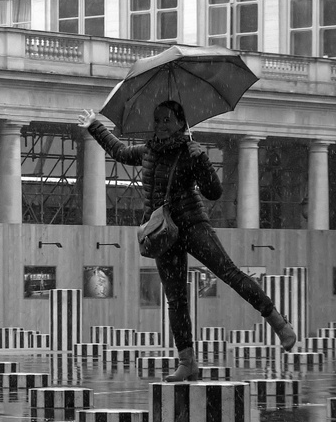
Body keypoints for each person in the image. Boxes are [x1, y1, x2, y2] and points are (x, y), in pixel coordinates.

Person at [78, 102, 296, 380]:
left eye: (167, 119)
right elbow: (119, 152)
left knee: (229, 273)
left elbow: (214, 192)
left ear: (182, 122)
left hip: (192, 223)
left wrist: (202, 162)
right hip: (163, 232)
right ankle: (187, 361)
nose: (161, 125)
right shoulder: (149, 151)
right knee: (176, 299)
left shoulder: (190, 152)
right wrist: (95, 126)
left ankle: (278, 322)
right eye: (157, 120)